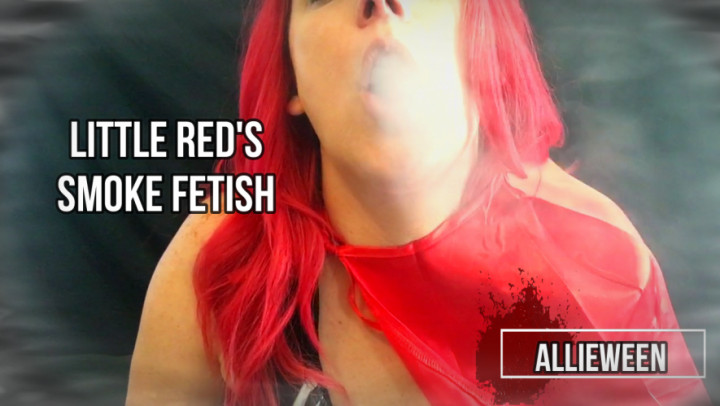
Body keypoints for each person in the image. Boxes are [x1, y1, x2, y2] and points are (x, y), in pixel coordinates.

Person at [126, 0, 710, 405]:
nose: (379, 4)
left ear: (480, 47)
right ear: (291, 81)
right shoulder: (222, 257)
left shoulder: (601, 264)